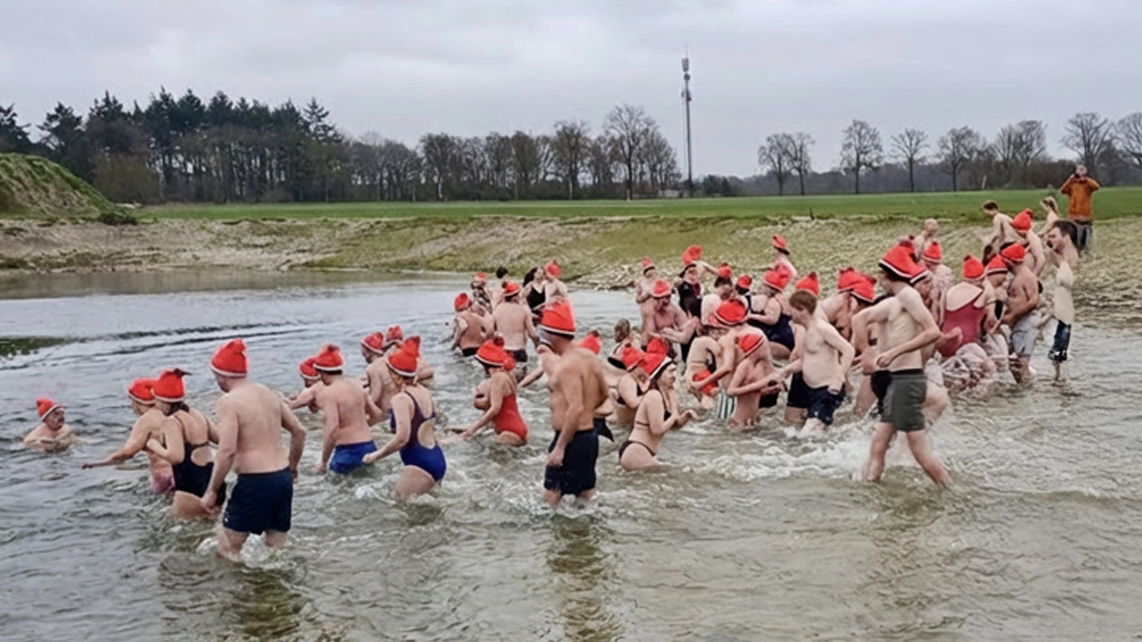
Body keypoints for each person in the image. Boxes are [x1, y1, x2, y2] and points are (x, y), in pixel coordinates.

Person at [855, 240, 951, 487]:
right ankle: (868, 488)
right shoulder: (895, 302)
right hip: (898, 380)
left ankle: (949, 490)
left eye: (881, 275)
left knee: (919, 451)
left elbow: (932, 332)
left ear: (887, 274)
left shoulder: (909, 295)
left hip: (908, 380)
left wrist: (895, 352)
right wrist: (867, 352)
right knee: (878, 444)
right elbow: (858, 319)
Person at [202, 339, 306, 560]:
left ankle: (241, 592)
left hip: (256, 481)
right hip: (282, 477)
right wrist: (293, 467)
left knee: (227, 546)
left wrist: (212, 490)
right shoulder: (266, 392)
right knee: (276, 549)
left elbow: (227, 451)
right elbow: (299, 431)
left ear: (221, 375)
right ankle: (274, 593)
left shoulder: (229, 402)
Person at [537, 300, 609, 507]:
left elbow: (575, 407)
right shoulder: (589, 357)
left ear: (551, 335)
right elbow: (603, 395)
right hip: (589, 439)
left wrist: (560, 448)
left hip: (570, 440)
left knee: (549, 503)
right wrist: (587, 412)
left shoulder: (566, 365)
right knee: (586, 499)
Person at [362, 337, 446, 498]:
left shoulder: (401, 399)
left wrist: (375, 456)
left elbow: (402, 438)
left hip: (419, 463)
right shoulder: (424, 391)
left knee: (399, 510)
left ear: (396, 376)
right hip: (436, 457)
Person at [143, 369, 224, 520]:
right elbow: (221, 440)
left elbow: (176, 457)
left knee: (181, 535)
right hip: (215, 483)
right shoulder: (198, 414)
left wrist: (153, 445)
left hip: (191, 486)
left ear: (161, 400)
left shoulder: (171, 421)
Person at [782, 291, 856, 436]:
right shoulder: (805, 329)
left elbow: (848, 350)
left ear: (802, 310)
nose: (789, 313)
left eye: (792, 310)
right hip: (808, 387)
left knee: (807, 436)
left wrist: (839, 378)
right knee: (790, 424)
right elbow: (807, 360)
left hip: (826, 389)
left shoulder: (823, 328)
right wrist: (784, 372)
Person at [82, 378, 176, 492]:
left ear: (136, 402)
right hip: (186, 473)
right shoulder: (174, 414)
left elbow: (128, 452)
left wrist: (99, 463)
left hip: (165, 477)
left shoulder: (146, 420)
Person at [618, 353, 698, 471]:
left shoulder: (670, 394)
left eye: (674, 371)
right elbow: (657, 429)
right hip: (636, 449)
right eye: (670, 372)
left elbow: (674, 425)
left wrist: (685, 416)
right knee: (675, 474)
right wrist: (675, 415)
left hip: (644, 451)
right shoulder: (653, 396)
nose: (674, 376)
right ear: (659, 373)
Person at [310, 345, 379, 474]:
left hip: (347, 451)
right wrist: (359, 426)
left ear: (321, 372)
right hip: (369, 447)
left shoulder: (329, 393)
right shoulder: (357, 387)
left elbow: (332, 428)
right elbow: (376, 415)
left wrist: (323, 461)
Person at [457, 337, 528, 446]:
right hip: (515, 427)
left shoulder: (497, 378)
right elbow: (505, 408)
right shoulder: (507, 374)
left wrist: (472, 429)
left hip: (508, 432)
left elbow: (495, 409)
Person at [1045, 220, 1080, 381]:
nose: (1049, 239)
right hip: (1060, 315)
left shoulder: (1072, 259)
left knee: (1058, 356)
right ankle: (1059, 386)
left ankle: (1060, 386)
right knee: (1057, 356)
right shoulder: (1062, 257)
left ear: (1066, 237)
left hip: (1064, 317)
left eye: (1053, 236)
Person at [725, 332, 782, 429]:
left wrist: (773, 389)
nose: (767, 349)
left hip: (754, 421)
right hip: (739, 422)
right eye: (763, 347)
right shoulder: (744, 366)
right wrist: (761, 384)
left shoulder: (760, 366)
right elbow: (730, 391)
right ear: (756, 350)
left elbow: (755, 392)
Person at [1001, 244, 1040, 385]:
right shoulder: (1018, 276)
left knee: (1020, 362)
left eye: (1004, 261)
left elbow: (1034, 301)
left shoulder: (1027, 276)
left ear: (1010, 261)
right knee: (1014, 362)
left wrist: (1013, 315)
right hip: (1019, 322)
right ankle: (1024, 387)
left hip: (1027, 322)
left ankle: (1026, 390)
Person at [493, 280, 539, 369]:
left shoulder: (497, 310)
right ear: (515, 297)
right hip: (518, 350)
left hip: (502, 351)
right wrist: (537, 345)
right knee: (521, 381)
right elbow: (532, 334)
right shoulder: (524, 310)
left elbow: (491, 331)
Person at [754, 265, 796, 360]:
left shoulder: (773, 301)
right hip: (787, 336)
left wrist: (752, 316)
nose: (761, 288)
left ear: (769, 288)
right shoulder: (783, 298)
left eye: (763, 286)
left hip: (778, 339)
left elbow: (772, 320)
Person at [1060, 164, 1099, 252]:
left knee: (1086, 236)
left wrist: (1086, 180)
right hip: (1073, 215)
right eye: (1078, 170)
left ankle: (1085, 250)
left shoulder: (1088, 185)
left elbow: (1096, 186)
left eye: (1082, 170)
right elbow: (1062, 190)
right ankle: (1075, 250)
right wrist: (1070, 180)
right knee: (1074, 235)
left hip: (1085, 214)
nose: (1079, 172)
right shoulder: (1072, 184)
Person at [611, 345, 648, 428]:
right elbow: (633, 403)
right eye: (643, 363)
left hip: (633, 424)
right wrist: (649, 394)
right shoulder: (627, 381)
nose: (646, 366)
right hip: (624, 427)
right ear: (634, 367)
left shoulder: (638, 379)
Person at [452, 292, 491, 357]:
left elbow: (463, 326)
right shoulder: (478, 317)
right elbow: (488, 328)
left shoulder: (460, 316)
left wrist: (454, 345)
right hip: (479, 348)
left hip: (467, 349)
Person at [1011, 209, 1047, 278]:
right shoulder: (1026, 238)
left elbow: (1041, 259)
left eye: (1018, 230)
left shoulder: (1033, 239)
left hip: (1032, 273)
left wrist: (1034, 275)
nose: (1016, 232)